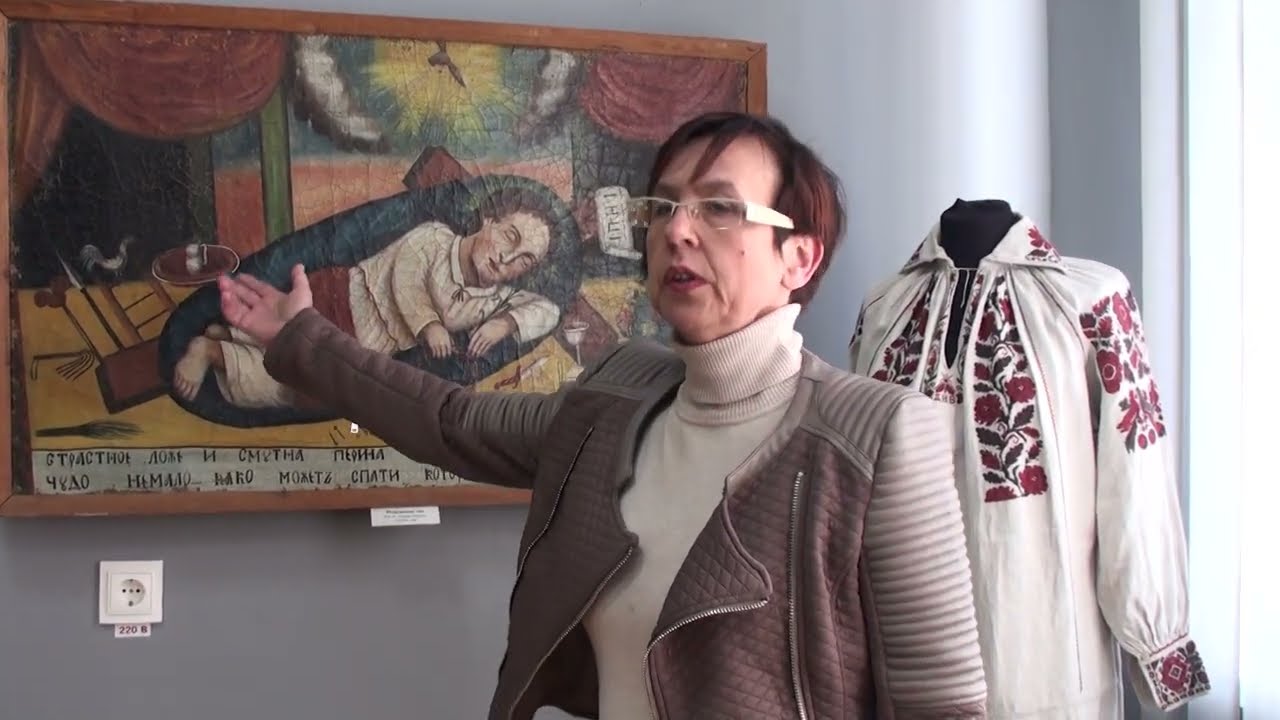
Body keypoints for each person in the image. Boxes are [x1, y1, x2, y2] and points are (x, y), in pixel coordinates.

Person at [217, 111, 989, 719]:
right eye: (665, 206)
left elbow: (943, 707)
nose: (677, 229)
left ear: (800, 259)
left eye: (721, 207)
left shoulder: (878, 434)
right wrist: (299, 339)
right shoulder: (619, 394)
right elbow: (451, 421)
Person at [174, 202, 560, 408]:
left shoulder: (493, 300)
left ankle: (219, 347)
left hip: (362, 347)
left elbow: (549, 310)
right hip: (342, 299)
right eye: (510, 237)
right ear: (489, 220)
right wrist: (428, 324)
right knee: (283, 343)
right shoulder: (435, 238)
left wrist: (503, 323)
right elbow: (406, 277)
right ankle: (217, 345)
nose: (508, 258)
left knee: (293, 385)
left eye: (524, 260)